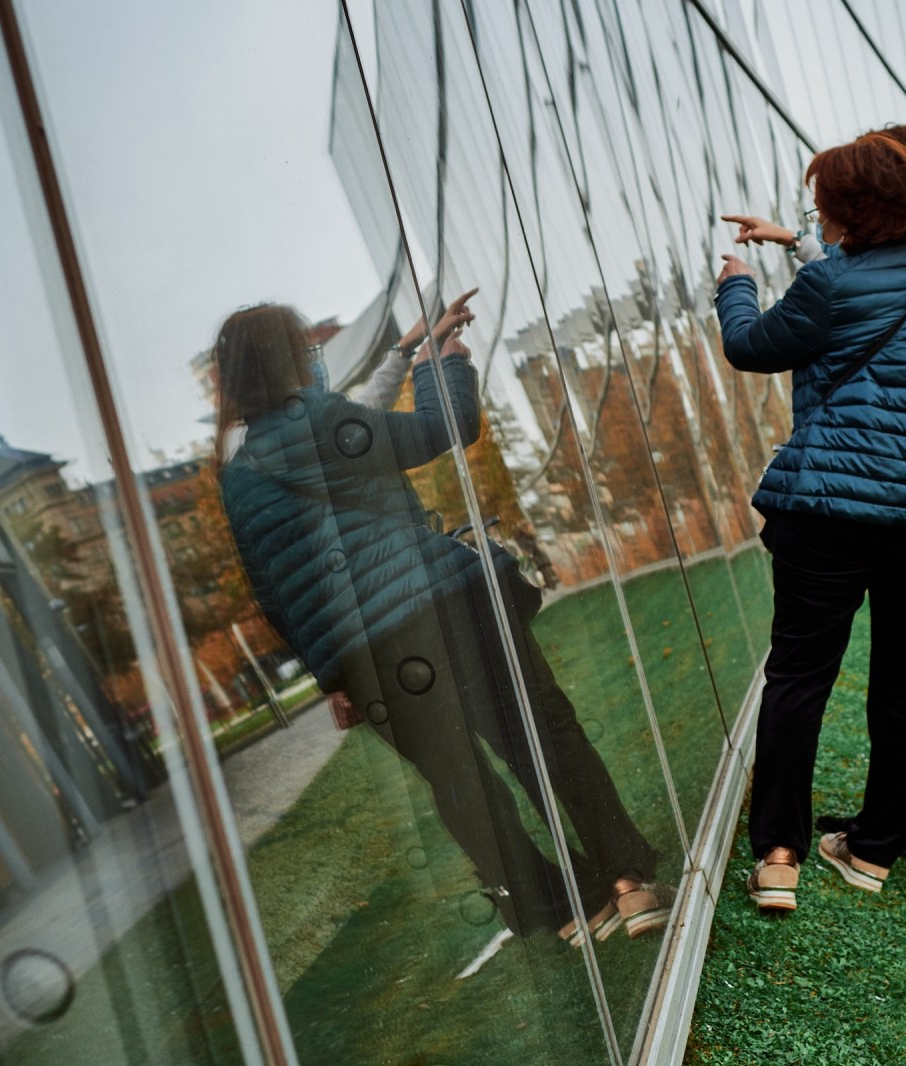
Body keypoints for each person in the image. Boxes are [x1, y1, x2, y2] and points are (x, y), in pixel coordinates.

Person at [213, 295, 666, 944]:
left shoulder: (238, 477)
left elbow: (274, 595)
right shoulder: (319, 421)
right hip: (446, 610)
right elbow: (444, 425)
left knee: (460, 784)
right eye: (305, 348)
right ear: (287, 361)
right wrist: (445, 363)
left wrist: (333, 677)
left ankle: (566, 910)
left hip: (368, 663)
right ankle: (627, 882)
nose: (314, 358)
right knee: (543, 735)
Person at [714, 130, 906, 912]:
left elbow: (749, 346)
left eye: (822, 203)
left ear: (843, 211)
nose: (817, 214)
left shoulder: (830, 285)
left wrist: (735, 285)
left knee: (799, 678)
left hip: (827, 514)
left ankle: (779, 856)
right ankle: (875, 850)